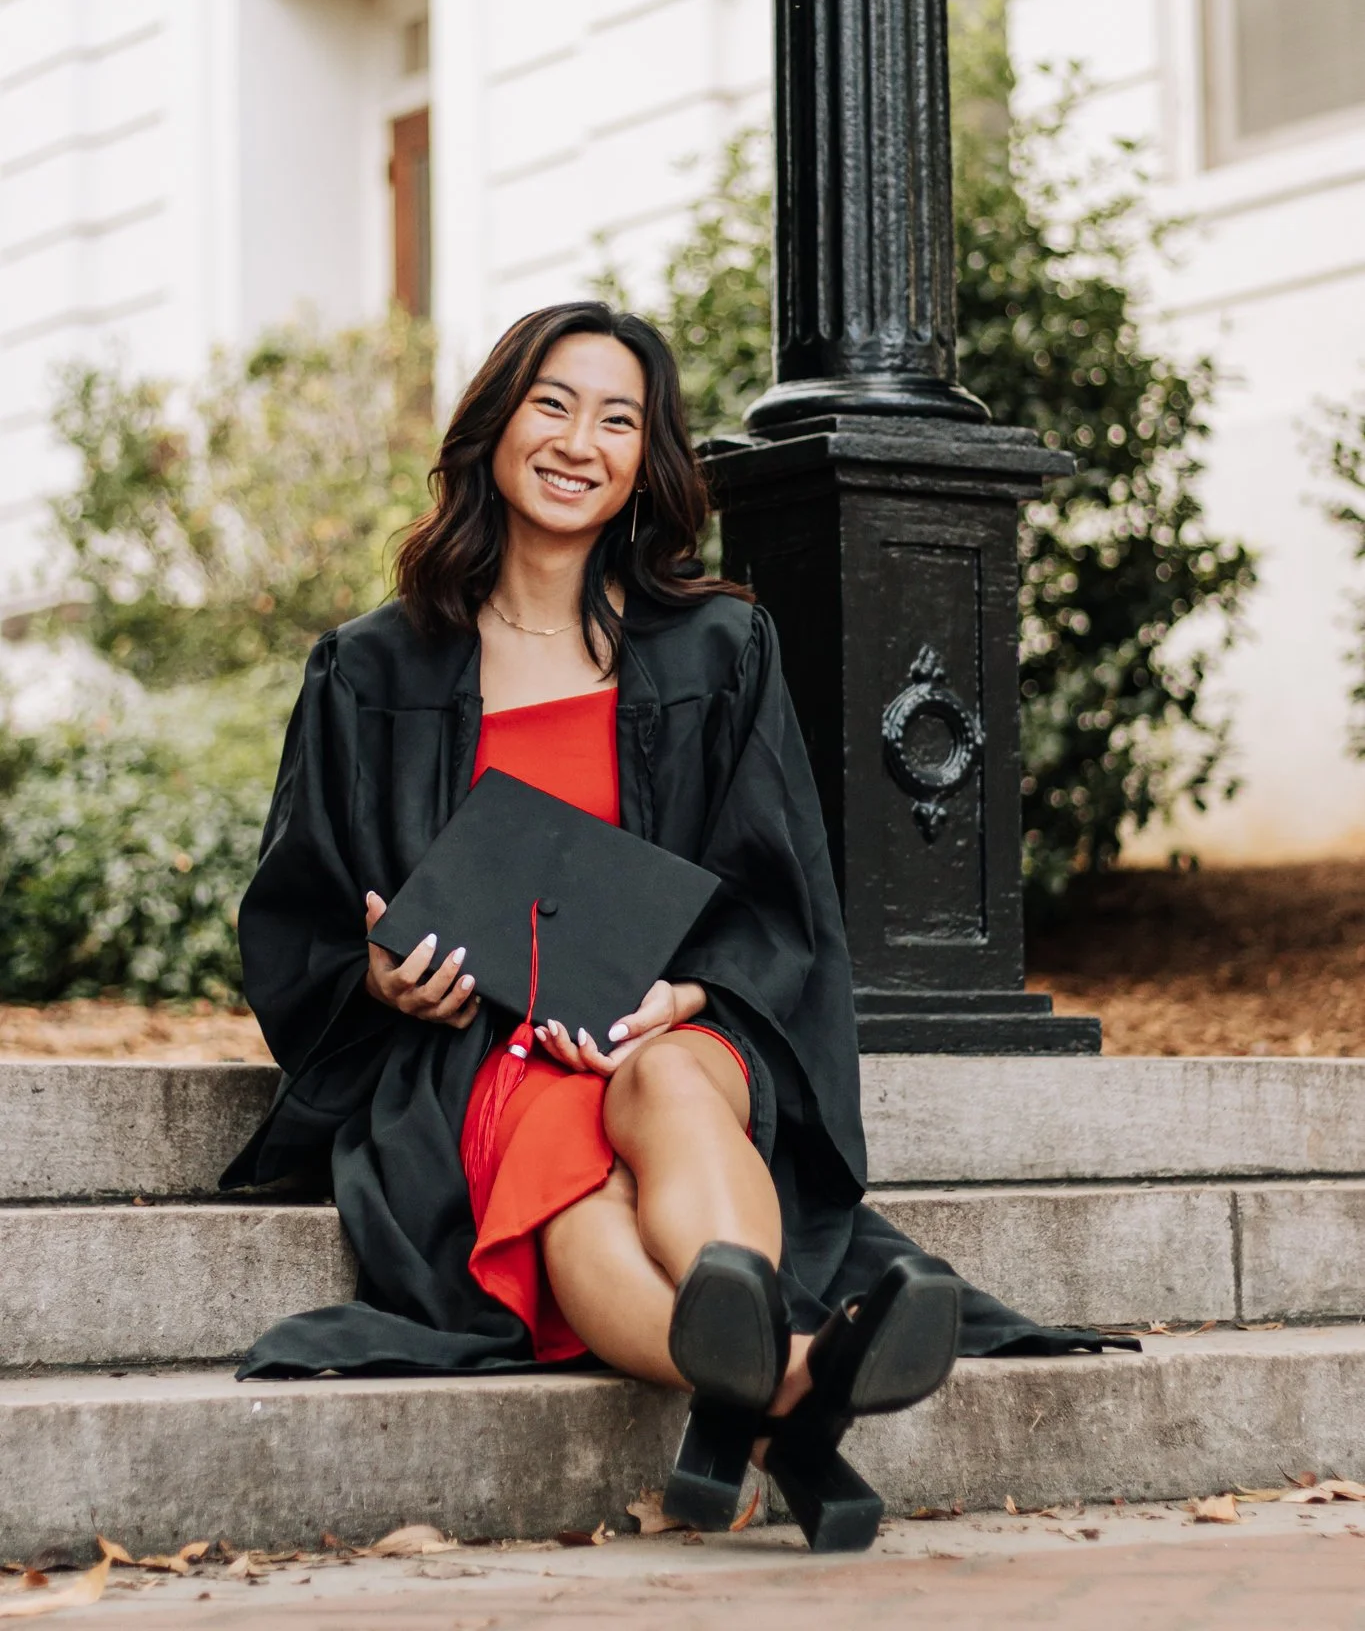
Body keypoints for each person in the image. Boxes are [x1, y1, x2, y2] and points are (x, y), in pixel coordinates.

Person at [223, 300, 1132, 1552]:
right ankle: (791, 1377)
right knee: (571, 1173)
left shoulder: (717, 644)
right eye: (551, 403)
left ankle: (738, 1384)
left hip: (668, 1022)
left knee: (661, 1081)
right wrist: (383, 985)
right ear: (493, 425)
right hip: (479, 1051)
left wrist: (691, 993)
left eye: (617, 417)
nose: (577, 439)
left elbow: (778, 889)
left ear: (647, 459)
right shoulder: (373, 669)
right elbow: (299, 913)